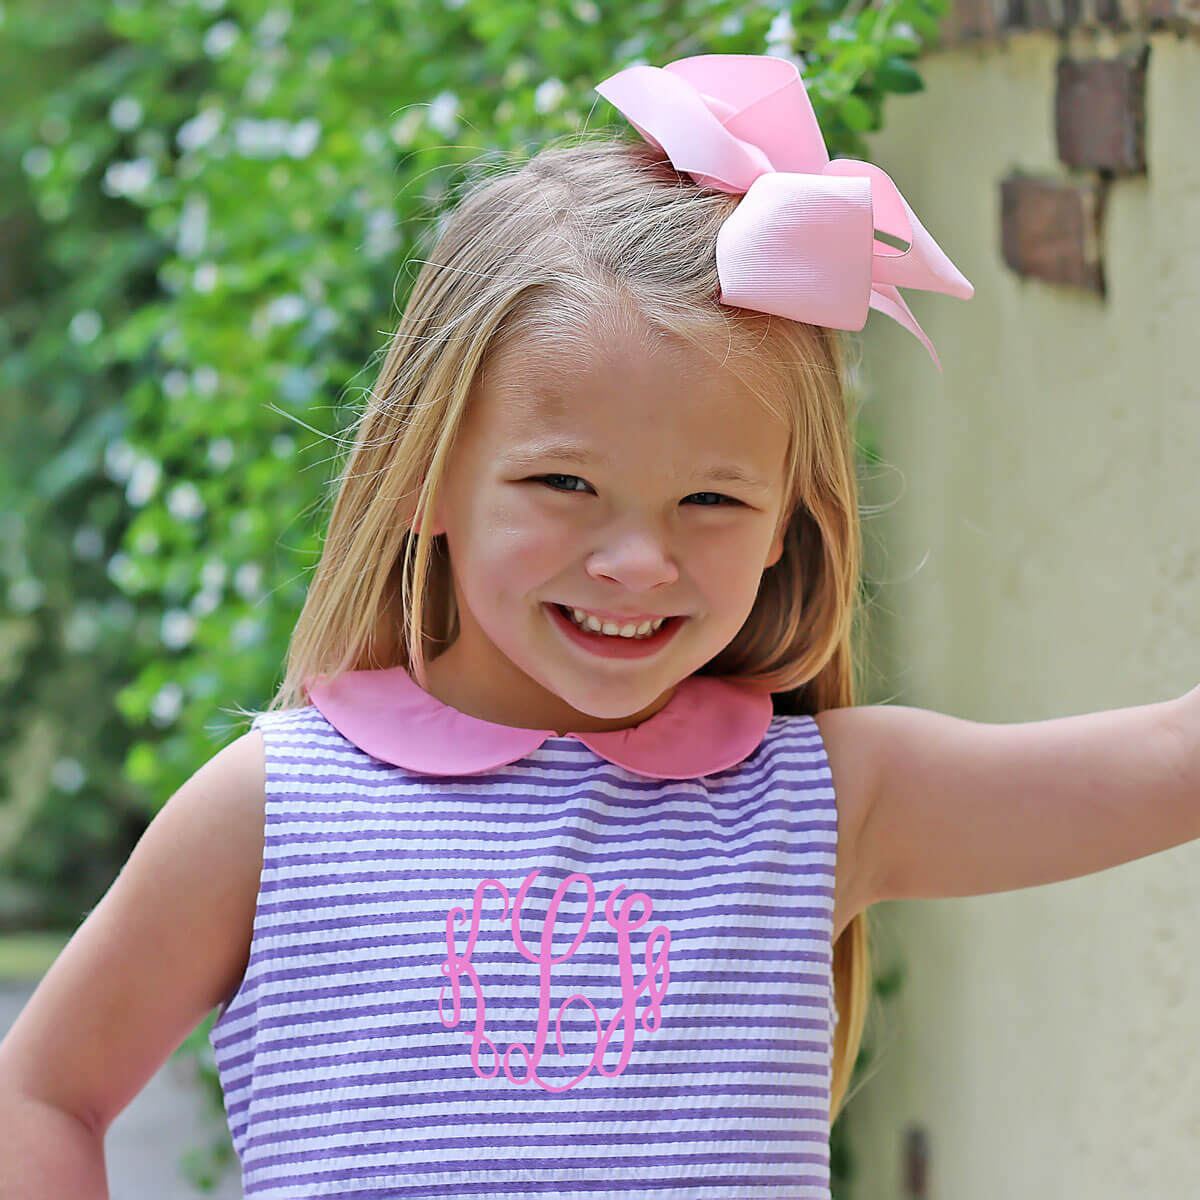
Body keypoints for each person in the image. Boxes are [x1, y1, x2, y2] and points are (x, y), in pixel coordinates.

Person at [0, 52, 1196, 1200]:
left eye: (713, 501)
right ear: (425, 477)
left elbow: (1174, 767)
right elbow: (44, 1096)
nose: (637, 560)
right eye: (564, 485)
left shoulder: (828, 803)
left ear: (787, 521)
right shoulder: (274, 812)